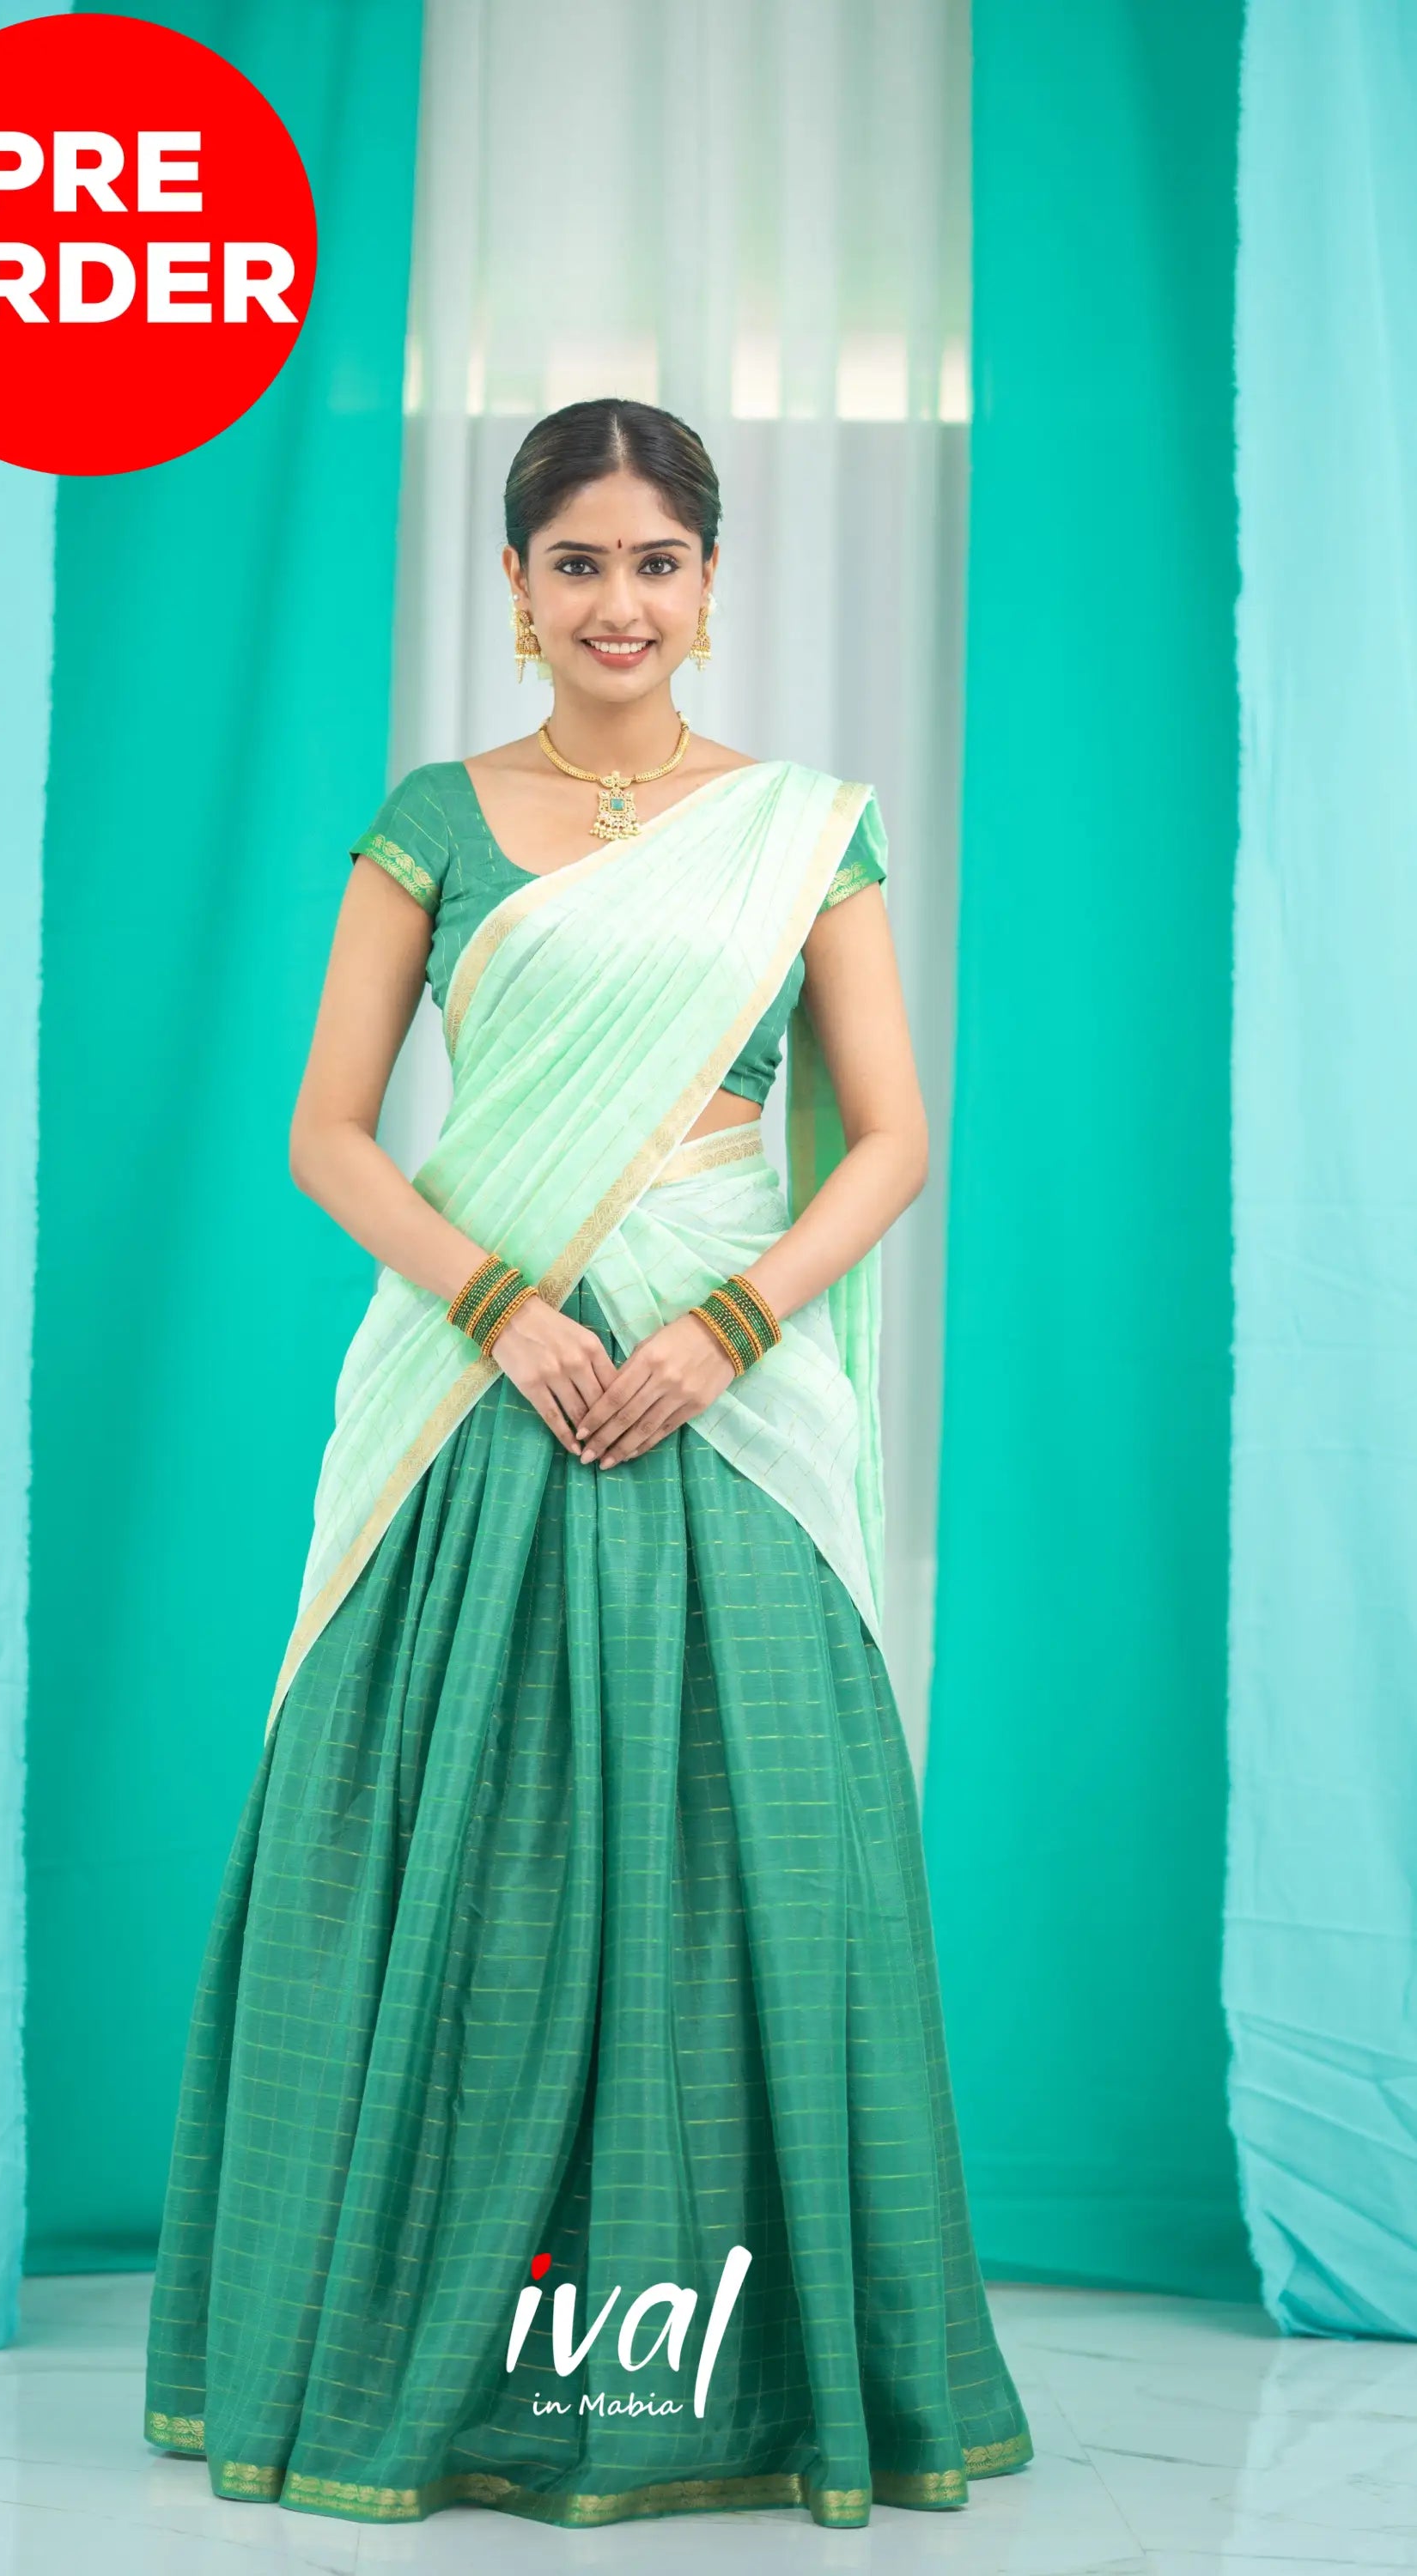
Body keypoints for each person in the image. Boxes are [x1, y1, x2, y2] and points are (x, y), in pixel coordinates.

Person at [143, 397, 1031, 2530]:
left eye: (656, 563)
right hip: (484, 1384)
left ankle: (743, 2373)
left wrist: (729, 1330)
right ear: (517, 587)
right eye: (577, 564)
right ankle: (413, 2352)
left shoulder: (804, 831)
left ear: (709, 587)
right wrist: (500, 1307)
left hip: (730, 1385)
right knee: (436, 1853)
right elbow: (329, 1130)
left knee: (771, 1858)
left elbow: (892, 1135)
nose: (618, 601)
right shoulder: (432, 824)